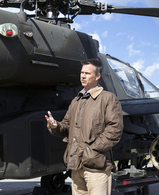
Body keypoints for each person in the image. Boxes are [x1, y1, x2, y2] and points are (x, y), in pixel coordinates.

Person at [45, 59, 123, 195]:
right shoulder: (76, 101)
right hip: (76, 166)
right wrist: (55, 125)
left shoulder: (108, 98)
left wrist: (91, 151)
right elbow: (66, 127)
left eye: (87, 73)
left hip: (96, 167)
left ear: (97, 76)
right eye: (82, 72)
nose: (83, 76)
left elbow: (114, 129)